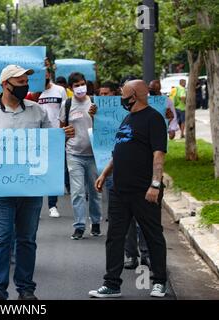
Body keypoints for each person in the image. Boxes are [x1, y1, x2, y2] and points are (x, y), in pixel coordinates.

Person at [0, 64, 75, 300]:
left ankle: (26, 289)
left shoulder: (37, 112)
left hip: (31, 188)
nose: (25, 87)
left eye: (26, 82)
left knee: (26, 240)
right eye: (20, 83)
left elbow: (50, 142)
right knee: (2, 239)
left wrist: (63, 135)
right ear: (5, 85)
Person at [89, 80, 168, 298]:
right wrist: (105, 174)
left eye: (123, 94)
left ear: (134, 95)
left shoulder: (154, 119)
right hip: (119, 189)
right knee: (115, 236)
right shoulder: (127, 117)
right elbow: (119, 150)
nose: (121, 98)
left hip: (144, 190)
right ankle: (111, 284)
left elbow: (159, 154)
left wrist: (155, 184)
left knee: (153, 235)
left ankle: (159, 281)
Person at [59, 72, 102, 240]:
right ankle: (79, 225)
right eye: (76, 85)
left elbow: (105, 128)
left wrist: (95, 116)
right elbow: (61, 128)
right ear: (71, 88)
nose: (80, 87)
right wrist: (64, 134)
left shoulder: (95, 103)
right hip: (74, 154)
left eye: (82, 84)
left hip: (93, 155)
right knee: (77, 192)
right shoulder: (67, 104)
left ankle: (96, 222)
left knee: (94, 191)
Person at [37, 67, 68, 218]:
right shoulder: (34, 92)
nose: (44, 76)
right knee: (37, 170)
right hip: (38, 135)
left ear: (49, 74)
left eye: (46, 72)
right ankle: (34, 205)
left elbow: (66, 110)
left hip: (55, 134)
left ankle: (52, 205)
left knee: (54, 171)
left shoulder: (60, 90)